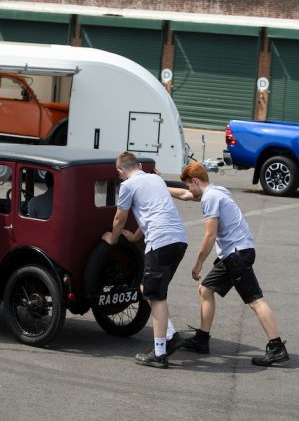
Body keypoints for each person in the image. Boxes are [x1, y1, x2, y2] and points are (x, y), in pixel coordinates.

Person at [168, 162, 289, 367]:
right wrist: (159, 185)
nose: (188, 189)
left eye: (189, 184)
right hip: (237, 252)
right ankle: (202, 340)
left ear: (195, 181)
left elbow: (210, 235)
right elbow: (186, 195)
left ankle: (276, 347)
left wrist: (198, 262)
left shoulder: (210, 198)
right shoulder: (216, 190)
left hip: (236, 255)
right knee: (206, 289)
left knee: (255, 300)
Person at [102, 152, 188, 369]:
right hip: (179, 241)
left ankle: (159, 353)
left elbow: (119, 218)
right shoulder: (156, 179)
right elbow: (154, 211)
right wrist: (136, 236)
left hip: (160, 243)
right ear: (139, 165)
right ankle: (171, 335)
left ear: (120, 171)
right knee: (147, 288)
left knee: (156, 297)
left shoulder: (127, 186)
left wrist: (113, 238)